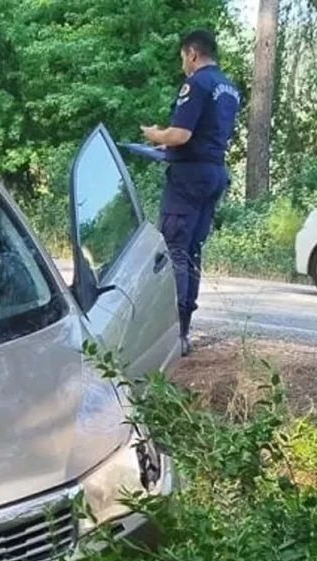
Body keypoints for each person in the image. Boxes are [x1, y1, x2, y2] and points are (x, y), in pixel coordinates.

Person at [139, 29, 239, 356]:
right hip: (214, 173)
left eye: (183, 57)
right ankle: (184, 331)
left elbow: (180, 134)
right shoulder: (229, 88)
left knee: (175, 251)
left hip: (189, 177)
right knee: (193, 250)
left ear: (192, 54)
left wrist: (156, 134)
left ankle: (172, 336)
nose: (183, 63)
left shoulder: (197, 83)